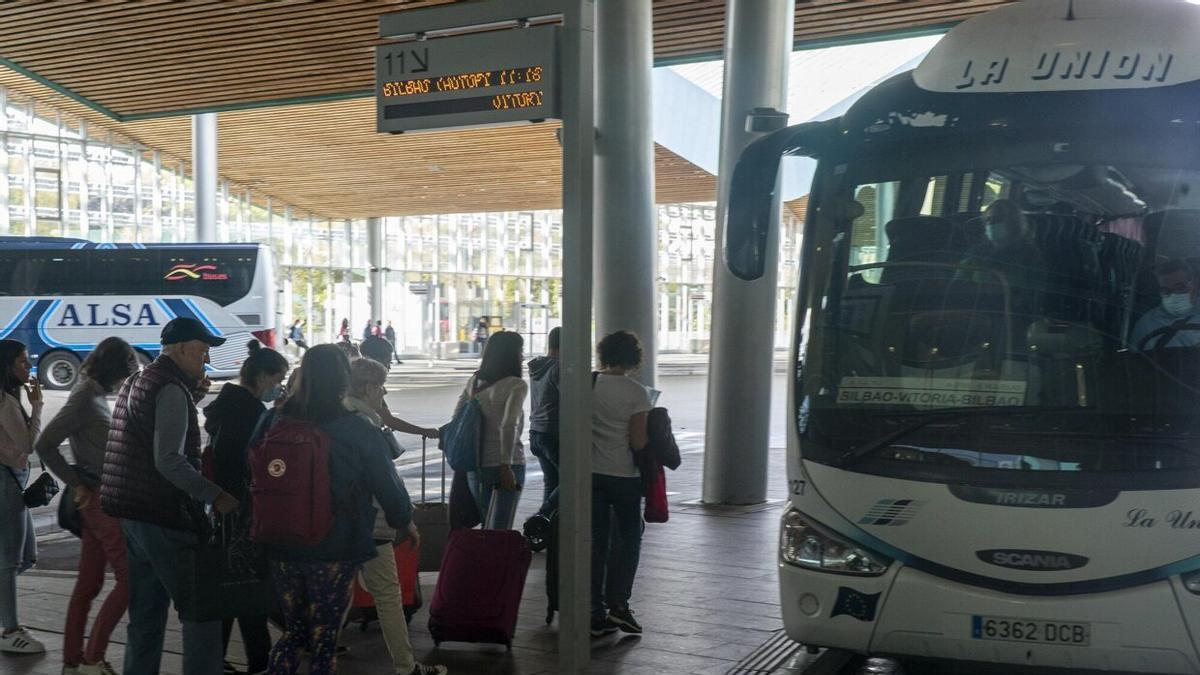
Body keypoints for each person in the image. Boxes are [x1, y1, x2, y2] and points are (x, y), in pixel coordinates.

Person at [251, 345, 414, 675]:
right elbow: (386, 482)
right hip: (333, 545)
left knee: (295, 631)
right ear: (343, 378)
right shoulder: (354, 428)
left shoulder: (274, 419)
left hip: (280, 542)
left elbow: (253, 463)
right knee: (324, 636)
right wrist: (403, 520)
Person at [99, 317, 239, 675]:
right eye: (202, 351)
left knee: (146, 615)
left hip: (132, 513)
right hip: (163, 513)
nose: (205, 360)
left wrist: (191, 396)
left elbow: (147, 430)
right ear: (179, 349)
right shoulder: (171, 389)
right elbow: (169, 461)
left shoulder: (140, 379)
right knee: (201, 610)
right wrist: (216, 495)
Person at [35, 338, 139, 673]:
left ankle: (72, 662)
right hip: (98, 499)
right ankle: (93, 657)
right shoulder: (83, 397)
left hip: (97, 498)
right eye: (127, 371)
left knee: (89, 583)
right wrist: (76, 481)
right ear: (116, 368)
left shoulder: (92, 393)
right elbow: (46, 443)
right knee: (130, 580)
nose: (127, 379)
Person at [343, 358, 447, 675]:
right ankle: (406, 667)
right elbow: (386, 481)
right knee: (388, 595)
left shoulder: (337, 417)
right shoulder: (367, 425)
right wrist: (405, 520)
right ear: (371, 387)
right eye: (382, 386)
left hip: (339, 524)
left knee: (339, 592)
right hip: (371, 523)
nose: (384, 392)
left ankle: (319, 650)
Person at [203, 340, 289, 675]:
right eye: (278, 378)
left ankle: (222, 658)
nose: (279, 386)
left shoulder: (229, 404)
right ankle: (258, 661)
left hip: (225, 510)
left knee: (233, 586)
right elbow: (249, 462)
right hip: (242, 509)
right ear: (264, 377)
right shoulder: (251, 413)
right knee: (248, 588)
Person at [589, 330, 651, 638]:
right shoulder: (637, 392)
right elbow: (638, 442)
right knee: (629, 539)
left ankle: (593, 611)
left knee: (597, 542)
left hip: (592, 474)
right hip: (624, 476)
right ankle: (619, 605)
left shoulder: (589, 384)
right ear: (633, 358)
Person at [454, 331, 527, 528]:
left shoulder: (475, 381)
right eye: (520, 350)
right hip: (507, 464)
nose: (522, 355)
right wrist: (506, 466)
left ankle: (485, 559)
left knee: (488, 525)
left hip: (475, 464)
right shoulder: (516, 385)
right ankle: (496, 560)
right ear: (511, 354)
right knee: (501, 529)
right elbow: (508, 424)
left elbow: (457, 416)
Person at [0, 339, 43, 655]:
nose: (28, 367)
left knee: (26, 556)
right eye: (22, 362)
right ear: (7, 367)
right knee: (10, 559)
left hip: (14, 483)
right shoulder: (5, 402)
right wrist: (38, 404)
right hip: (6, 483)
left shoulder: (8, 399)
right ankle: (10, 630)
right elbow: (28, 445)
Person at [527, 327, 561, 517]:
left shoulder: (538, 366)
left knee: (552, 482)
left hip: (536, 432)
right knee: (571, 479)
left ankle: (544, 528)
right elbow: (573, 398)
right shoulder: (558, 368)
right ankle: (541, 516)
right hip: (553, 434)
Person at [1131, 259, 1200, 350]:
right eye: (1165, 290)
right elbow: (1133, 361)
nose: (1173, 295)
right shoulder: (1146, 324)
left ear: (1194, 285)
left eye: (1179, 288)